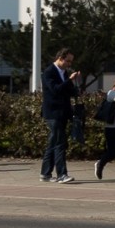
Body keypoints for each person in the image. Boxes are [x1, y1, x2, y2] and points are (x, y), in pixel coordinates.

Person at [40, 47, 80, 183]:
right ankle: (62, 174)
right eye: (68, 61)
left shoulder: (63, 73)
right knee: (60, 143)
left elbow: (67, 91)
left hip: (63, 112)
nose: (69, 64)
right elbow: (55, 90)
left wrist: (74, 86)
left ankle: (45, 173)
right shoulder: (49, 72)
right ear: (60, 58)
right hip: (53, 113)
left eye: (71, 62)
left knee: (53, 143)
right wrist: (69, 80)